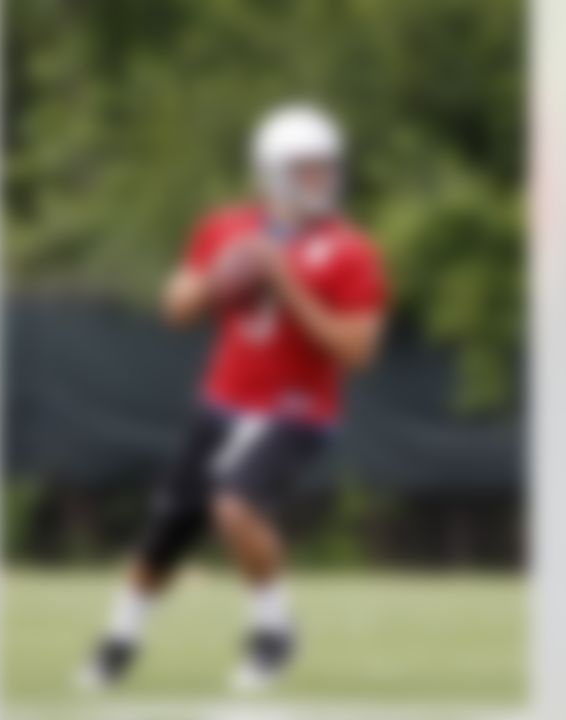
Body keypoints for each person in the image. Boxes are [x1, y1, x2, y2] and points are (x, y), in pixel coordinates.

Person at [77, 102, 389, 693]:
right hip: (222, 402)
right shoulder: (225, 228)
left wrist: (285, 281)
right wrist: (218, 279)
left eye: (327, 166)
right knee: (168, 531)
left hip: (297, 410)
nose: (322, 178)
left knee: (235, 506)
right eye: (308, 168)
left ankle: (274, 630)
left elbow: (359, 351)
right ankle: (120, 639)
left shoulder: (351, 250)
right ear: (273, 171)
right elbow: (175, 310)